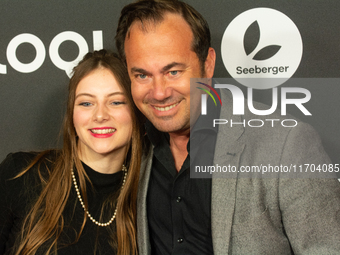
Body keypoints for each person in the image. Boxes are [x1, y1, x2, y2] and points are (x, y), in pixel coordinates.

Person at [115, 0, 340, 254]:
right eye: (142, 75)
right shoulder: (136, 148)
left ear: (208, 64)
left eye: (173, 71)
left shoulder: (286, 144)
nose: (159, 92)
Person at [0, 50, 144, 255]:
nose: (100, 115)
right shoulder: (21, 174)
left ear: (136, 111)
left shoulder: (149, 197)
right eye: (86, 103)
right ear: (72, 113)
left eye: (116, 102)